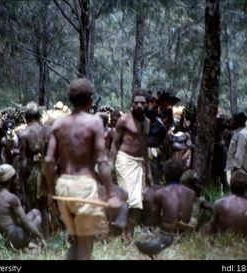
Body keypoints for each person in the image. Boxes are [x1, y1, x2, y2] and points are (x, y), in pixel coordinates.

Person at [46, 78, 117, 260]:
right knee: (86, 246)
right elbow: (102, 161)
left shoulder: (58, 124)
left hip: (63, 186)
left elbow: (49, 161)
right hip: (84, 187)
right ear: (91, 99)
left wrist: (50, 192)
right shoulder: (94, 123)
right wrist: (110, 192)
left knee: (78, 241)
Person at [109, 90, 153, 241]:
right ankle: (122, 233)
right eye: (136, 102)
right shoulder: (123, 120)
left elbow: (145, 147)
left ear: (147, 104)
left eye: (142, 103)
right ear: (132, 104)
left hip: (139, 162)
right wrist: (110, 164)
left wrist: (148, 172)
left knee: (137, 201)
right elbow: (115, 144)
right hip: (124, 160)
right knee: (127, 198)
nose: (139, 105)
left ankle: (129, 233)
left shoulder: (147, 123)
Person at [0, 164, 45, 249]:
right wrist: (40, 236)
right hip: (14, 238)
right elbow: (25, 221)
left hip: (1, 237)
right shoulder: (11, 198)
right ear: (10, 180)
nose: (16, 179)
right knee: (37, 214)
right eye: (14, 177)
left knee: (31, 214)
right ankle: (34, 242)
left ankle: (29, 244)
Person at [18, 101, 50, 238]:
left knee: (32, 204)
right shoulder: (47, 131)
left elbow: (23, 160)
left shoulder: (24, 134)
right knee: (44, 205)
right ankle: (46, 236)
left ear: (26, 117)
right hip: (46, 170)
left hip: (32, 171)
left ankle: (36, 237)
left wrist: (21, 178)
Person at [201, 170, 247, 236]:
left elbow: (212, 226)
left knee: (207, 226)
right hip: (242, 241)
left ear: (230, 186)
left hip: (223, 239)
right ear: (246, 188)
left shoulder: (220, 203)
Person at [154, 159, 197, 232]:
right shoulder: (191, 193)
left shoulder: (160, 193)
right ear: (181, 174)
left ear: (165, 175)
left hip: (166, 233)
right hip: (184, 234)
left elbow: (155, 219)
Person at [225, 112, 247, 186]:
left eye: (233, 120)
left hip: (240, 169)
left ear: (237, 122)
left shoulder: (242, 134)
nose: (231, 122)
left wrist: (236, 170)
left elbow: (239, 154)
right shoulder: (238, 133)